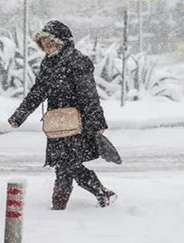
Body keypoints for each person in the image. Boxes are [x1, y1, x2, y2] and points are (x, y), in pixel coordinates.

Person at [7, 20, 117, 210]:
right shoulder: (48, 63)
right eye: (44, 43)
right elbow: (37, 92)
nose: (47, 46)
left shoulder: (77, 61)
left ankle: (61, 205)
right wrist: (19, 116)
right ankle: (99, 193)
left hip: (77, 122)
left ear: (62, 41)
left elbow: (89, 94)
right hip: (57, 123)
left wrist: (97, 121)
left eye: (51, 42)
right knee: (65, 164)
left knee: (67, 164)